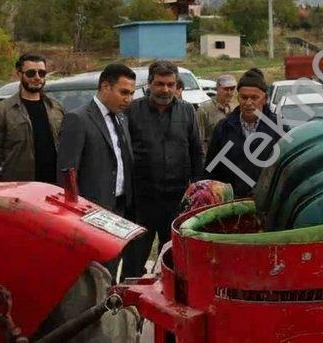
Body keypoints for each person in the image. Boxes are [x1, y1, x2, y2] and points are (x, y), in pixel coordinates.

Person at [122, 60, 204, 278]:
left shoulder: (187, 111)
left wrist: (195, 189)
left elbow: (196, 151)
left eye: (170, 84)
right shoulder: (132, 111)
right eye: (159, 84)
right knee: (135, 258)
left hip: (176, 199)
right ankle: (129, 307)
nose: (165, 89)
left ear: (176, 84)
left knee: (172, 259)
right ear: (149, 84)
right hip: (142, 200)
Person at [56, 63, 138, 277]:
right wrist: (75, 216)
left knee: (112, 268)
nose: (128, 99)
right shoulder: (78, 119)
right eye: (123, 92)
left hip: (120, 208)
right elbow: (67, 172)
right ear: (105, 87)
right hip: (91, 212)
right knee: (92, 273)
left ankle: (106, 305)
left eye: (131, 93)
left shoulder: (122, 118)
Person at [0, 53, 65, 183]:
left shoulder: (55, 108)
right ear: (19, 74)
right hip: (20, 187)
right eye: (31, 73)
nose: (37, 78)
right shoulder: (2, 110)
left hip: (55, 185)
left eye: (42, 73)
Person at [206, 69, 283, 198]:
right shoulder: (223, 129)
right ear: (238, 98)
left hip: (268, 206)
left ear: (265, 99)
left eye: (254, 98)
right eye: (244, 97)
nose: (248, 103)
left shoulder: (278, 129)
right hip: (231, 206)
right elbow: (210, 171)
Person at [196, 74, 236, 152]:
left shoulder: (236, 109)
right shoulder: (204, 110)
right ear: (217, 88)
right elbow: (199, 139)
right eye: (226, 89)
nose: (229, 92)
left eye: (232, 89)